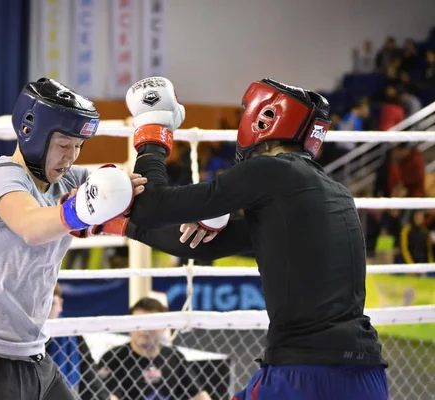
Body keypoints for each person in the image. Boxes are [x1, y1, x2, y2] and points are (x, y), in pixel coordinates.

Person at [88, 77, 389, 399]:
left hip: (304, 372)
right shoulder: (333, 193)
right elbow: (201, 246)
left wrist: (154, 129)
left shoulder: (271, 171)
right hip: (367, 375)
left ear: (263, 118)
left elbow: (151, 206)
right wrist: (116, 225)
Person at [0, 78, 145, 400]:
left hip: (37, 359)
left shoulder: (70, 180)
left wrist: (185, 213)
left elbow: (126, 204)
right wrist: (85, 210)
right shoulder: (3, 176)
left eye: (78, 147)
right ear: (31, 132)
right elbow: (32, 226)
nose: (71, 158)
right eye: (63, 146)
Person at [98, 297, 211, 400]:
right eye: (138, 323)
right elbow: (108, 397)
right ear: (129, 326)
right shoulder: (114, 358)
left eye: (150, 323)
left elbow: (200, 395)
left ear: (164, 326)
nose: (144, 329)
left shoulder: (174, 357)